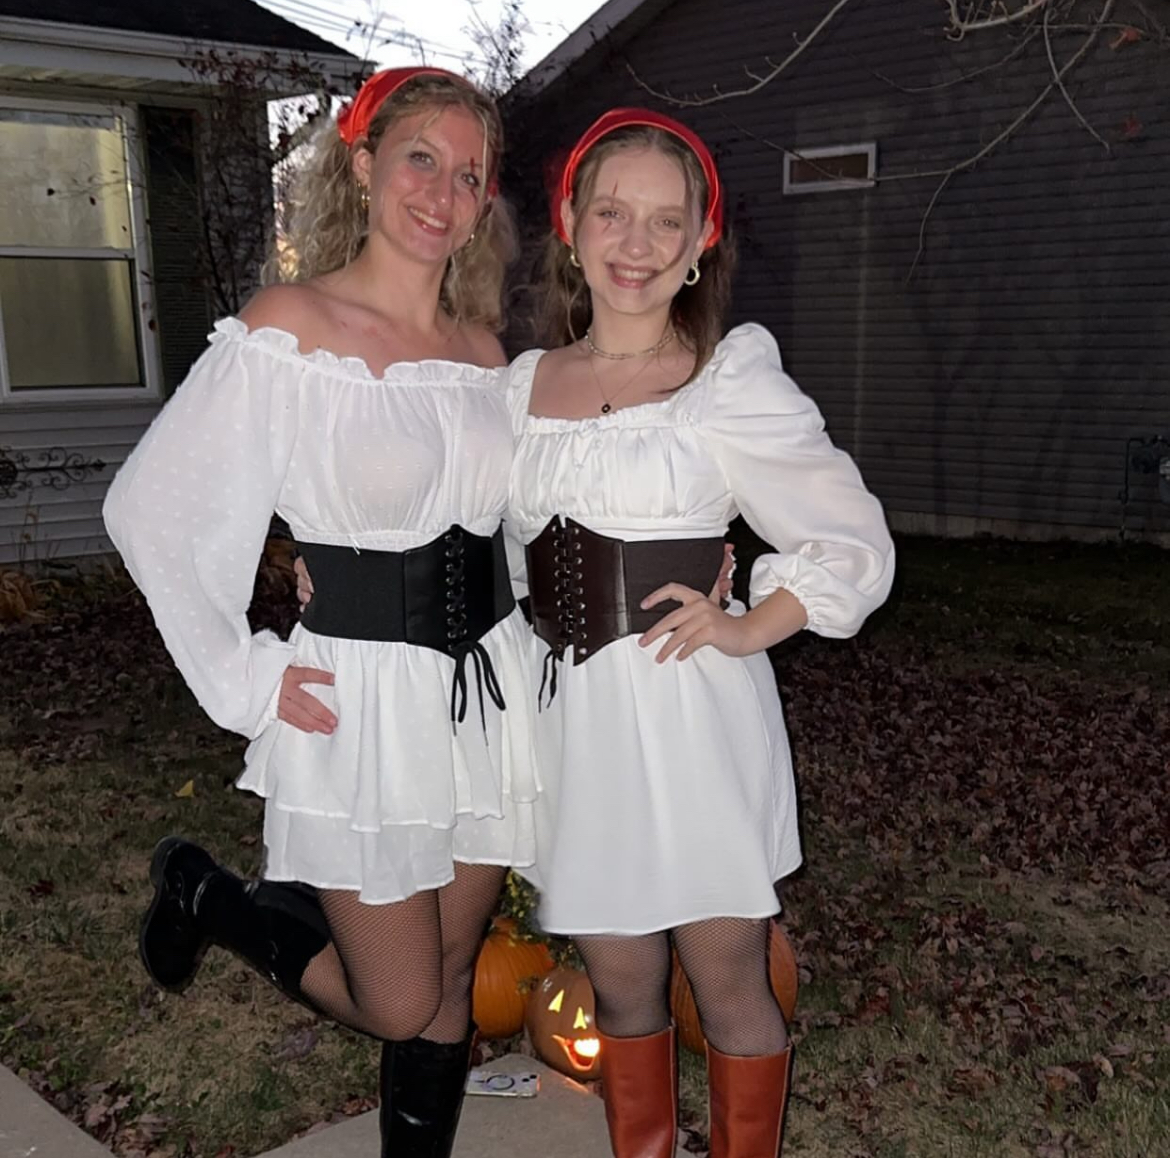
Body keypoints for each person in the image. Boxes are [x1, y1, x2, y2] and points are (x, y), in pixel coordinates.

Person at [102, 67, 539, 1157]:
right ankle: (204, 892)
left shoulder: (486, 355)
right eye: (420, 160)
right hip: (361, 707)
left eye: (469, 174)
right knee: (396, 1001)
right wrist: (246, 678)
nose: (444, 192)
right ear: (363, 163)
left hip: (482, 704)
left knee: (448, 984)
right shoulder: (292, 329)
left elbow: (519, 527)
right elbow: (153, 510)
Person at [503, 109, 896, 1157]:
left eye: (665, 223)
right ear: (571, 226)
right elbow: (456, 525)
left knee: (726, 981)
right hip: (575, 726)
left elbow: (847, 532)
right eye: (613, 214)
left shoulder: (726, 383)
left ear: (700, 242)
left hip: (687, 716)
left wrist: (754, 621)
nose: (635, 244)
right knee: (622, 986)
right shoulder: (514, 391)